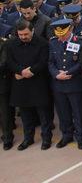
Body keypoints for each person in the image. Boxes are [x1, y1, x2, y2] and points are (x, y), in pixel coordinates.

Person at [7, 19, 52, 150]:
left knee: (44, 115)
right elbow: (10, 61)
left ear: (32, 31)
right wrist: (20, 71)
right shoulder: (12, 44)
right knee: (26, 116)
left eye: (26, 34)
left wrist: (31, 71)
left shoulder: (42, 43)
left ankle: (46, 139)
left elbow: (43, 61)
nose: (23, 37)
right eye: (20, 35)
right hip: (21, 85)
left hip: (38, 83)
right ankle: (28, 138)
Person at [48, 19, 82, 149]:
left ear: (70, 29)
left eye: (63, 34)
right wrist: (56, 74)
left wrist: (69, 72)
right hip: (59, 84)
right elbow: (50, 62)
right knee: (63, 112)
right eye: (58, 34)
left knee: (78, 112)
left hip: (75, 83)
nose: (61, 37)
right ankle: (66, 135)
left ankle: (80, 136)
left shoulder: (80, 41)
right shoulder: (53, 42)